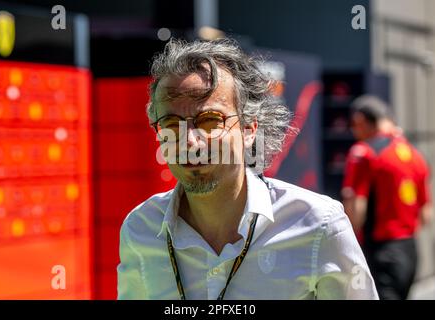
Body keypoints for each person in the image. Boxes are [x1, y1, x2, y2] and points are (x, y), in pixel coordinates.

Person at [117, 38, 378, 300]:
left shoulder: (319, 224)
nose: (189, 140)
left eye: (209, 121)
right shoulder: (141, 229)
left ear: (249, 130)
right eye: (171, 123)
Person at [342, 95, 432, 300]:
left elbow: (356, 210)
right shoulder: (414, 154)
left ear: (361, 120)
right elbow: (426, 215)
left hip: (380, 251)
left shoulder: (363, 153)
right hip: (410, 250)